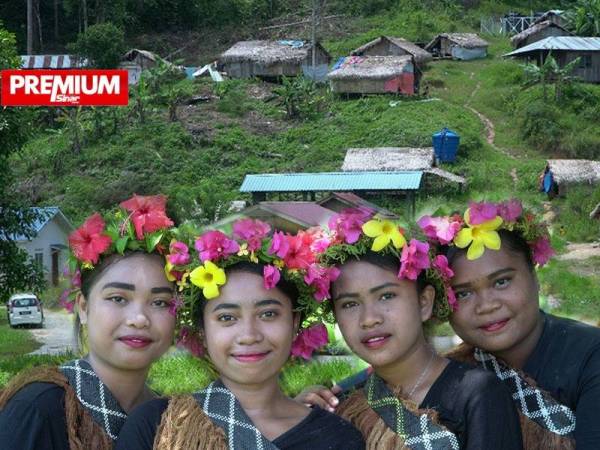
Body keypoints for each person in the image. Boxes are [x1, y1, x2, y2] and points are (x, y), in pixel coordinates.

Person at [115, 221, 365, 449]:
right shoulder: (155, 425)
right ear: (202, 332)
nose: (249, 335)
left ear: (294, 322)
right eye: (227, 318)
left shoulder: (338, 439)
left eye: (268, 314)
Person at [299, 210, 523, 449]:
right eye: (350, 304)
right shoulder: (343, 402)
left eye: (386, 296)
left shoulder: (476, 394)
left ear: (424, 303)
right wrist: (295, 421)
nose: (369, 319)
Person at [419, 199, 600, 449]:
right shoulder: (458, 365)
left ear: (534, 277)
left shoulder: (591, 357)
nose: (487, 305)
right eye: (463, 294)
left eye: (502, 282)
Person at [0, 194, 178, 450]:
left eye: (160, 302)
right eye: (118, 298)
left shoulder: (170, 420)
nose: (139, 319)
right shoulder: (38, 409)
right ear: (84, 308)